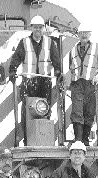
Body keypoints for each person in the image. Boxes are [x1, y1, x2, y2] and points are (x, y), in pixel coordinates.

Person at [8, 15, 61, 145]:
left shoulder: (49, 42)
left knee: (45, 109)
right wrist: (12, 71)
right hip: (28, 81)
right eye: (36, 27)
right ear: (32, 28)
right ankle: (28, 140)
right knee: (27, 111)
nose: (38, 30)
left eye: (40, 27)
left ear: (43, 28)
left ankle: (44, 140)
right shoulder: (24, 42)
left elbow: (56, 60)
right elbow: (17, 58)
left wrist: (58, 72)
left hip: (45, 81)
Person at [69, 24, 98, 145]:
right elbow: (71, 68)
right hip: (77, 85)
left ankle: (85, 139)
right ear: (78, 34)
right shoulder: (72, 51)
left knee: (89, 112)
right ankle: (78, 139)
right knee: (77, 111)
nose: (84, 35)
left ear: (90, 34)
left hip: (91, 85)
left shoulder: (96, 48)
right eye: (81, 33)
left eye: (86, 33)